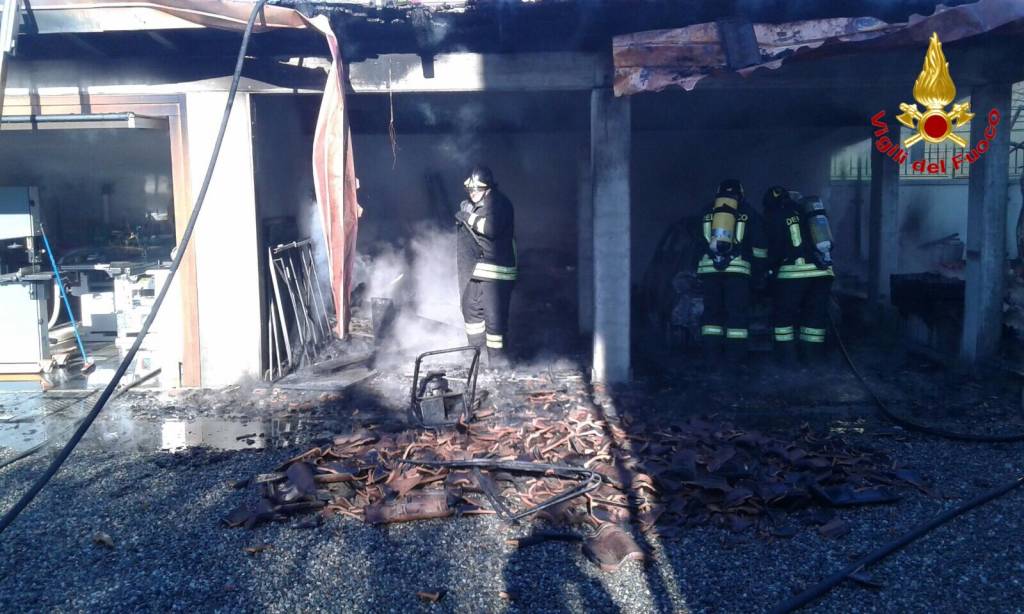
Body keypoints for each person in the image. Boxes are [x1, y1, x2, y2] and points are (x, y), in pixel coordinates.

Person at [762, 187, 836, 365]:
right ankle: (813, 362)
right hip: (823, 273)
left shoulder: (777, 216)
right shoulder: (810, 213)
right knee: (814, 320)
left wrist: (768, 269)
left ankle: (787, 363)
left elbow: (775, 249)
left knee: (783, 319)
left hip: (794, 274)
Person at [696, 179, 767, 365]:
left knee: (712, 316)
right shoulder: (748, 212)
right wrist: (759, 274)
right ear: (741, 195)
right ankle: (734, 362)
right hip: (738, 272)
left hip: (710, 270)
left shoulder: (705, 211)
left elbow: (696, 242)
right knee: (737, 316)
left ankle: (711, 359)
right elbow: (759, 246)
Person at [455, 165, 517, 368]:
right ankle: (476, 358)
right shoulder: (478, 203)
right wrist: (469, 212)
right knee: (470, 310)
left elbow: (490, 228)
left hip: (496, 272)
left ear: (488, 187)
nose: (473, 193)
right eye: (470, 190)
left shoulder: (499, 203)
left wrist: (467, 216)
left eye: (477, 189)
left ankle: (497, 364)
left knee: (494, 321)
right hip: (477, 271)